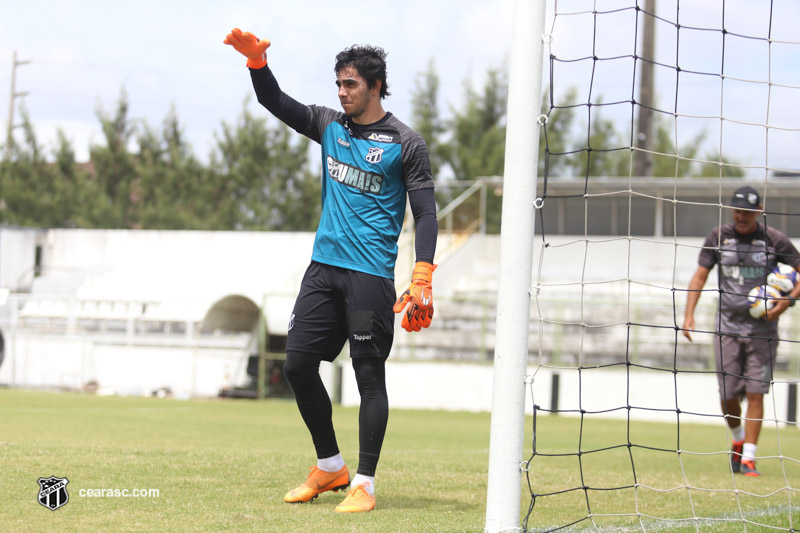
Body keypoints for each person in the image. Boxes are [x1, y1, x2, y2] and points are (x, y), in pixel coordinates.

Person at [224, 28, 438, 512]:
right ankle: (329, 466)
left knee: (368, 377)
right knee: (298, 366)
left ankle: (364, 483)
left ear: (375, 86)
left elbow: (425, 213)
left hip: (370, 277)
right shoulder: (328, 125)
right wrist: (257, 63)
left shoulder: (406, 143)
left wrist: (422, 272)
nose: (341, 93)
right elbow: (275, 101)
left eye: (350, 84)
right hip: (323, 270)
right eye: (338, 84)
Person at [683, 185, 800, 477]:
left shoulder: (774, 239)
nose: (741, 216)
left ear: (758, 212)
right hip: (727, 329)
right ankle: (737, 438)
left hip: (763, 332)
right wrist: (688, 315)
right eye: (737, 210)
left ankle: (749, 457)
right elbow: (699, 276)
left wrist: (785, 302)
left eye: (747, 211)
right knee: (727, 394)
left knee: (756, 393)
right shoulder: (718, 237)